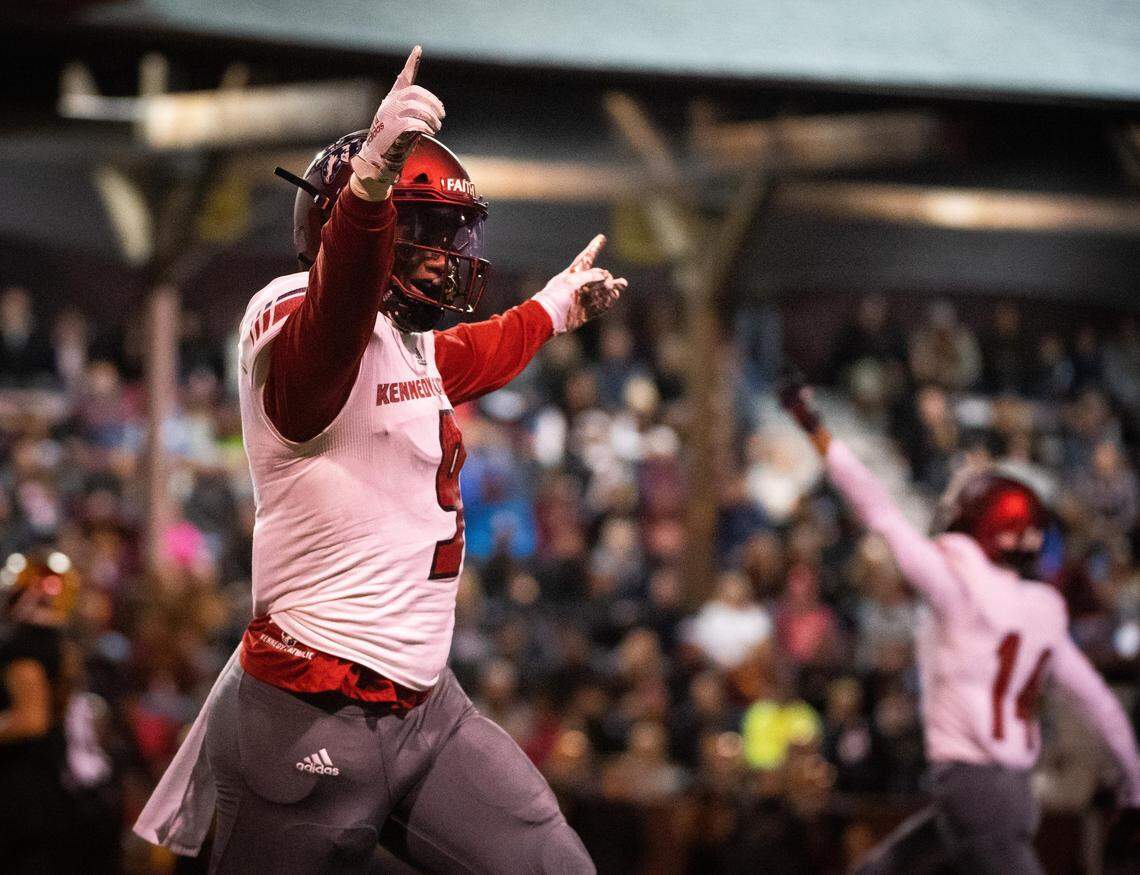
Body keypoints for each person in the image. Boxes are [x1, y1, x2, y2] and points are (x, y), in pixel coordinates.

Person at [134, 46, 624, 873]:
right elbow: (328, 339)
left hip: (430, 709)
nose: (446, 256)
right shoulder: (291, 312)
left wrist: (553, 307)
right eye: (425, 233)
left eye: (450, 235)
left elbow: (475, 349)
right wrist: (367, 190)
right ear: (357, 231)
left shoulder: (407, 340)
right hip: (309, 707)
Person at [778, 378, 1140, 875]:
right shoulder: (1042, 608)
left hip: (972, 784)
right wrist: (1135, 780)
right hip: (1011, 787)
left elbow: (878, 509)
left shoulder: (958, 589)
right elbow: (1098, 700)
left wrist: (816, 430)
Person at [1, 549, 118, 873]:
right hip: (55, 786)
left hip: (24, 793)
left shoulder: (24, 646)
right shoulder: (56, 642)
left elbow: (30, 720)